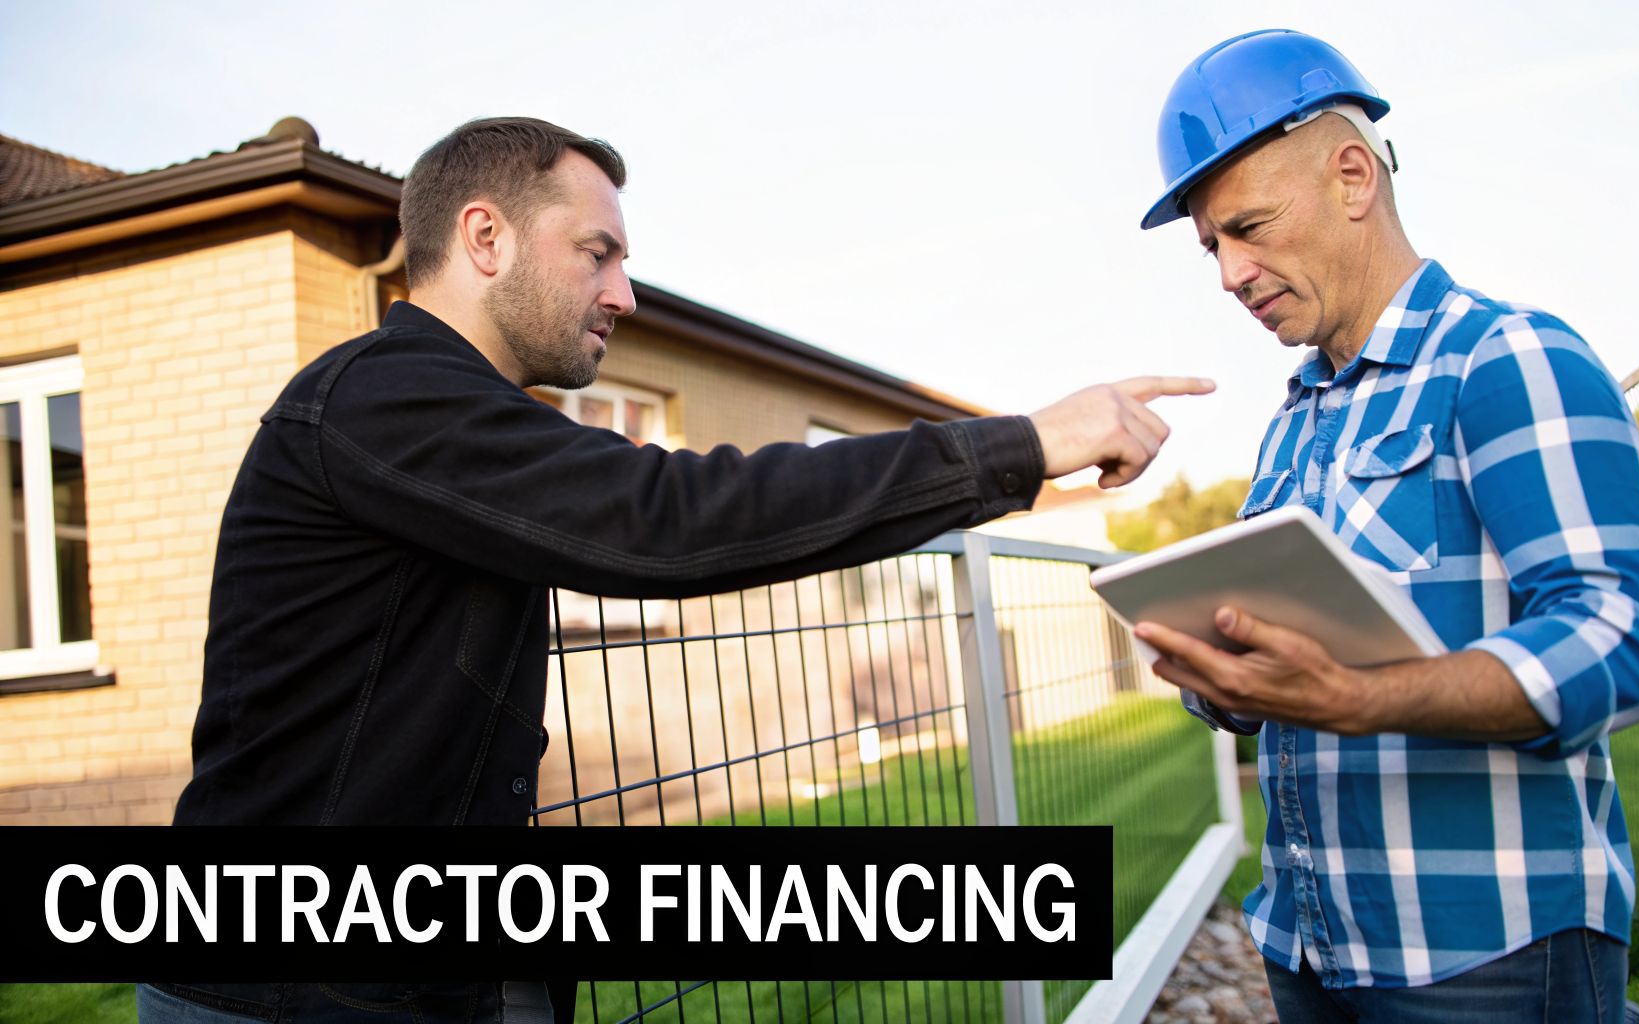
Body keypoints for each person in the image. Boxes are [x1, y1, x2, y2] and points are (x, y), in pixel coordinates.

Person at [142, 117, 1210, 1022]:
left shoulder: (441, 413)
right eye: (596, 252)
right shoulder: (387, 399)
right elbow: (670, 516)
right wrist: (1018, 444)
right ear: (484, 238)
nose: (625, 294)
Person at [1131, 30, 1639, 1023]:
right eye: (1212, 244)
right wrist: (1227, 680)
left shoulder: (1506, 358)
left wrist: (1360, 694)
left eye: (1248, 227)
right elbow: (1280, 675)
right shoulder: (1292, 420)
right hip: (1309, 947)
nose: (1226, 273)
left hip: (1488, 959)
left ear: (1351, 177)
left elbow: (1624, 635)